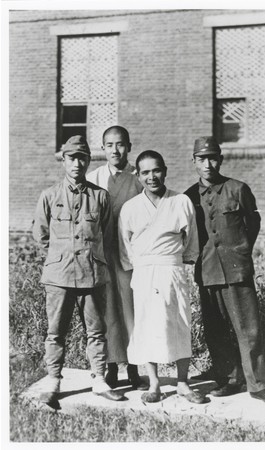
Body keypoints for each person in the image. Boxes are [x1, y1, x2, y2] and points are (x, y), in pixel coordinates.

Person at [185, 136, 265, 405]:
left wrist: (240, 251)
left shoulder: (238, 189)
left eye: (212, 158)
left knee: (248, 330)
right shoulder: (188, 197)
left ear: (221, 159)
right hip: (207, 271)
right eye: (201, 159)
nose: (208, 164)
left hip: (236, 269)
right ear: (194, 162)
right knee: (215, 330)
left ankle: (259, 386)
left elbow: (252, 224)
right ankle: (229, 380)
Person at [32, 135, 124, 404]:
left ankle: (98, 380)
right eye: (72, 158)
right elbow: (41, 235)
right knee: (55, 332)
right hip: (59, 276)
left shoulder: (100, 197)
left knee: (96, 331)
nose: (77, 163)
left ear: (88, 161)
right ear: (63, 161)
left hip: (92, 274)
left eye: (82, 158)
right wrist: (62, 255)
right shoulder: (49, 196)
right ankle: (53, 381)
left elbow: (107, 237)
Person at [118, 150, 205, 404]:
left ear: (165, 171)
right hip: (144, 272)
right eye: (145, 172)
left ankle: (182, 382)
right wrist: (141, 268)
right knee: (146, 326)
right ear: (138, 175)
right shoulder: (130, 208)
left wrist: (177, 263)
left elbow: (192, 244)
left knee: (180, 323)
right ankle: (154, 383)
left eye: (156, 170)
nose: (151, 176)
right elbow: (126, 248)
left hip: (172, 270)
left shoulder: (180, 202)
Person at [87, 126, 147, 390]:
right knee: (107, 311)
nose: (115, 150)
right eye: (109, 145)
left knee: (131, 310)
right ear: (102, 148)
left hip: (130, 255)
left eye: (120, 144)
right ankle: (111, 368)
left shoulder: (140, 178)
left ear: (129, 146)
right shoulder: (94, 178)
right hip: (102, 255)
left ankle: (134, 367)